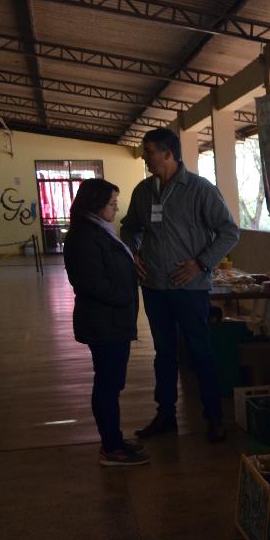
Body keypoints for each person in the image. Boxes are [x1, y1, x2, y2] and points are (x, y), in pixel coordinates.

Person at [121, 127, 239, 443]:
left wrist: (201, 263)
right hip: (154, 286)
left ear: (168, 153)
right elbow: (129, 228)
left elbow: (229, 232)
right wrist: (133, 253)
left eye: (149, 151)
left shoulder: (200, 189)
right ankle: (165, 416)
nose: (145, 157)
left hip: (190, 288)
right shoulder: (143, 191)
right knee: (164, 353)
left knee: (200, 351)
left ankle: (213, 417)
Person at [63, 178, 149, 467]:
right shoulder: (84, 236)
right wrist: (124, 297)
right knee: (108, 385)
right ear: (96, 204)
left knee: (112, 384)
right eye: (112, 203)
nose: (116, 208)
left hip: (113, 320)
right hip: (104, 322)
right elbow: (89, 282)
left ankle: (114, 440)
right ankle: (111, 448)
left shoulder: (98, 229)